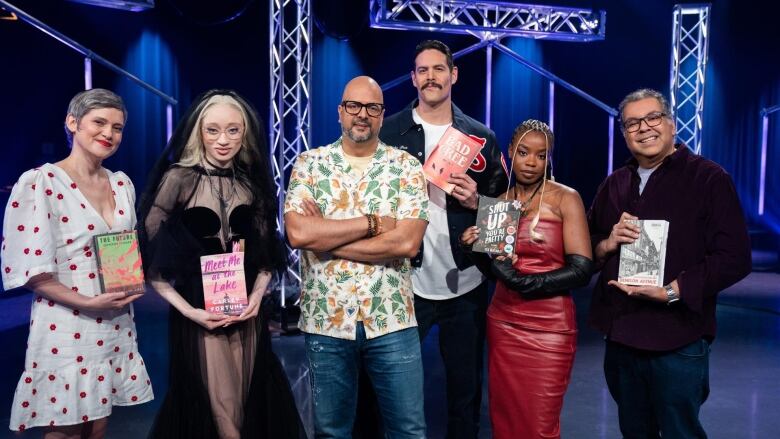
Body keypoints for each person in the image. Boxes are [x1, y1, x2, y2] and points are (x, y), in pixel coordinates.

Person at [137, 89, 305, 439]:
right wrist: (189, 311)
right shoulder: (178, 179)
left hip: (246, 313)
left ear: (245, 133)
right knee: (222, 413)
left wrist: (258, 298)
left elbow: (265, 256)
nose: (223, 140)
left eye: (233, 130)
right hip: (200, 315)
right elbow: (150, 261)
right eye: (212, 130)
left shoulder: (252, 184)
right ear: (198, 131)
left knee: (247, 407)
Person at [587, 88, 752, 438]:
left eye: (652, 118)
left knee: (680, 433)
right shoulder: (614, 184)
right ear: (624, 134)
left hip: (678, 337)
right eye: (632, 123)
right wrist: (607, 243)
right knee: (634, 432)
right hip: (621, 336)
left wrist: (674, 291)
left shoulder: (709, 179)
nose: (644, 128)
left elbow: (735, 258)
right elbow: (586, 249)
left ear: (672, 125)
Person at [1, 88, 153, 437]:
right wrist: (87, 301)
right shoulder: (41, 182)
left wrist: (128, 283)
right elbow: (29, 271)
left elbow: (121, 250)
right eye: (99, 122)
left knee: (98, 428)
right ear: (72, 123)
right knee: (65, 430)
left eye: (117, 127)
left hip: (115, 321)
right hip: (66, 325)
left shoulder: (121, 183)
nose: (108, 134)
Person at [284, 76, 429, 439]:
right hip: (326, 320)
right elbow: (299, 233)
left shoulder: (406, 167)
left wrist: (326, 238)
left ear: (382, 115)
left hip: (392, 317)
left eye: (372, 108)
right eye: (354, 106)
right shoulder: (309, 164)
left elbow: (407, 244)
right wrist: (374, 223)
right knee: (332, 433)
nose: (362, 115)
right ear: (340, 112)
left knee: (409, 431)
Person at [377, 39, 508, 438]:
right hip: (403, 282)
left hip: (465, 282)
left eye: (438, 69)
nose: (430, 76)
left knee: (464, 395)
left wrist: (477, 201)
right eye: (422, 70)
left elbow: (502, 213)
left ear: (453, 75)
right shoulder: (389, 131)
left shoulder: (481, 136)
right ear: (413, 78)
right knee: (394, 393)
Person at [460, 119, 592, 438]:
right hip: (504, 322)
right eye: (523, 152)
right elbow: (494, 271)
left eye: (541, 155)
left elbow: (582, 269)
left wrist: (526, 283)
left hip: (550, 328)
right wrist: (472, 249)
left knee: (539, 426)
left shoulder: (565, 198)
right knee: (505, 421)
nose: (531, 162)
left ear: (549, 158)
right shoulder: (501, 205)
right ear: (511, 152)